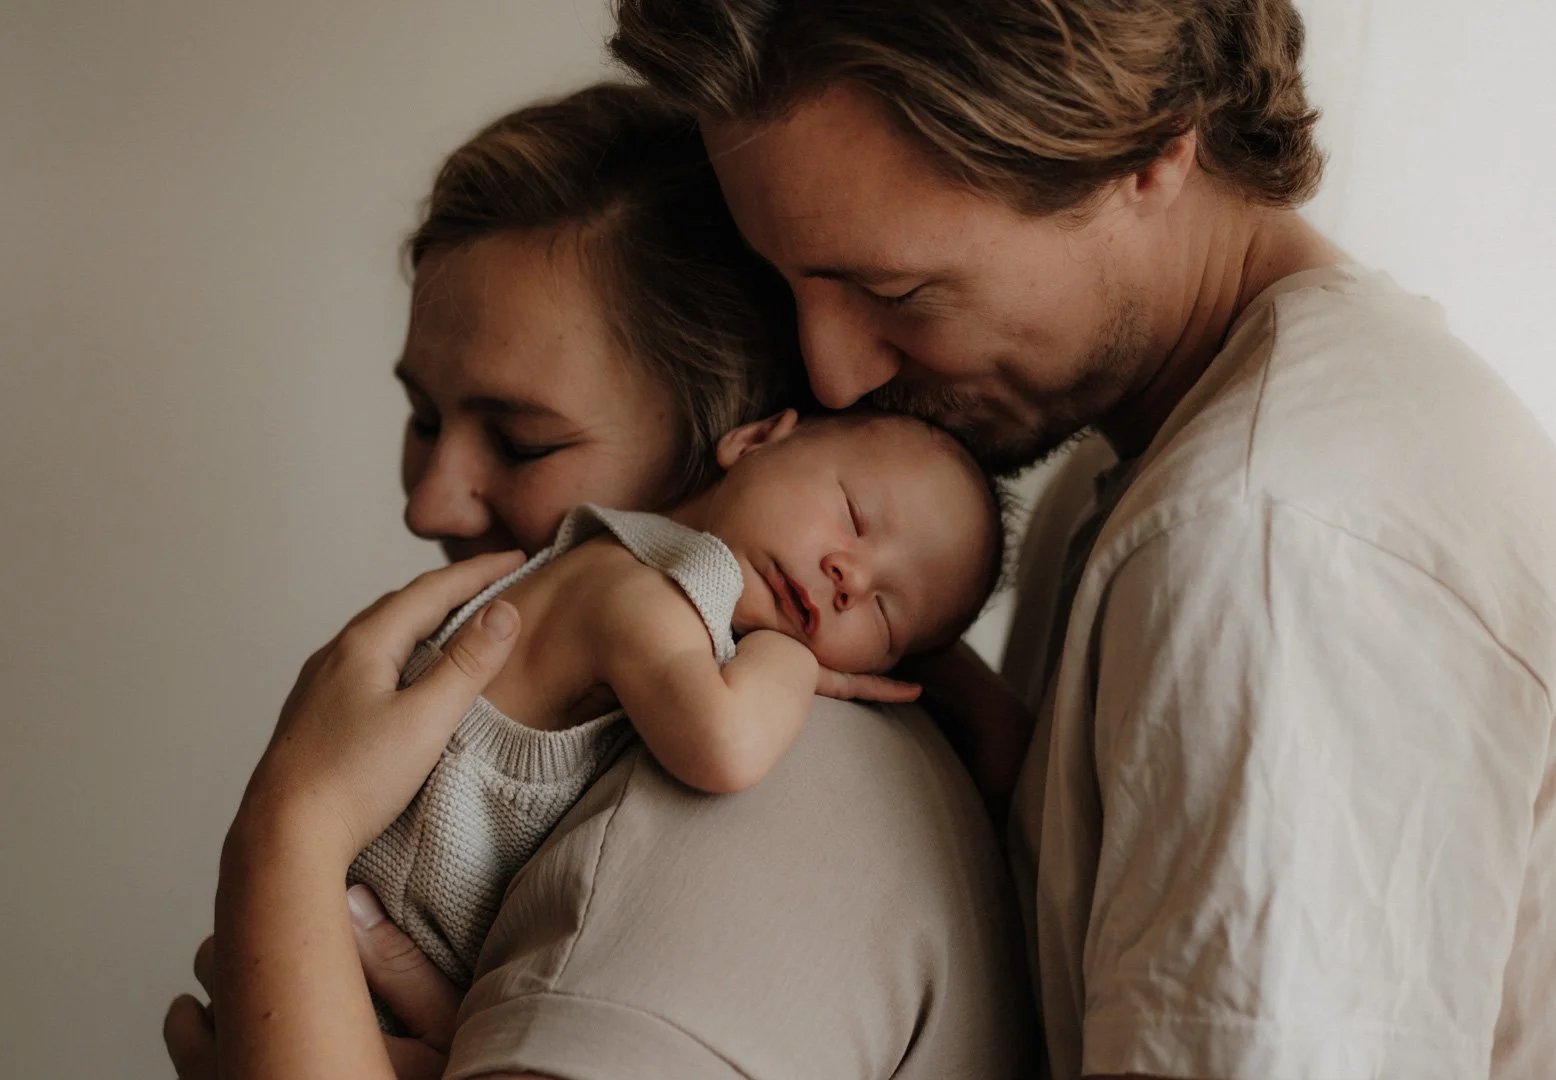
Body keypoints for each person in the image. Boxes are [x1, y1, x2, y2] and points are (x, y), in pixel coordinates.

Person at [610, 1, 1556, 1078]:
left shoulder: (1262, 539)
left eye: (895, 292)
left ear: (1153, 150)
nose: (833, 374)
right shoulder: (1147, 479)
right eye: (794, 285)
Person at [163, 82, 1031, 1079]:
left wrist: (288, 834)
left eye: (525, 441)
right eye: (425, 421)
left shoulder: (740, 810)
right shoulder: (627, 729)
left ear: (740, 440)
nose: (430, 508)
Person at [356, 406, 1004, 1001]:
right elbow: (728, 747)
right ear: (754, 441)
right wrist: (791, 661)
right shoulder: (636, 590)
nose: (851, 577)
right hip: (362, 939)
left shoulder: (667, 590)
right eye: (854, 516)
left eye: (886, 615)